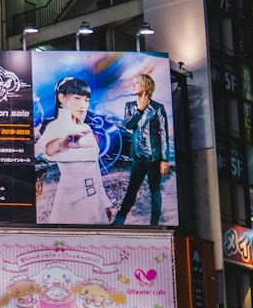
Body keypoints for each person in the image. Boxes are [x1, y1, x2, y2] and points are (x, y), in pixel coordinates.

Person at [38, 76, 109, 223]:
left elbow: (95, 170)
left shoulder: (86, 128)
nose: (83, 105)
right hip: (70, 202)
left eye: (86, 100)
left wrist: (105, 203)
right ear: (62, 98)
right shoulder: (55, 127)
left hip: (95, 201)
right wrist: (61, 144)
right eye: (77, 98)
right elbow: (46, 150)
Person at [111, 72, 172, 225]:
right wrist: (139, 109)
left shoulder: (158, 108)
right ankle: (119, 221)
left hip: (154, 157)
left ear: (145, 86)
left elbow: (163, 134)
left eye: (136, 83)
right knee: (131, 190)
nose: (133, 86)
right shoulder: (130, 106)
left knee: (154, 190)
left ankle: (155, 224)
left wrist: (164, 159)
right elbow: (128, 125)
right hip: (138, 156)